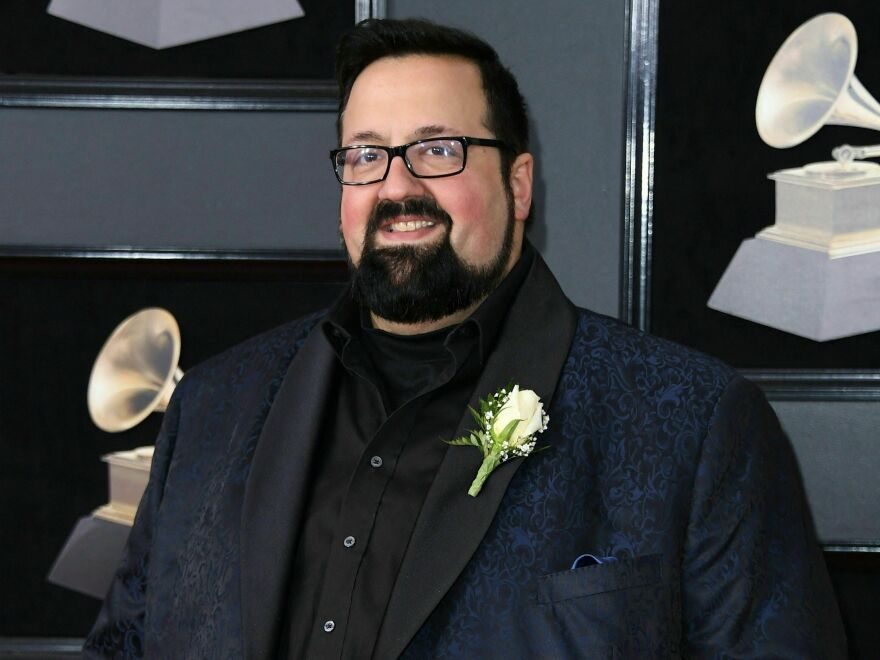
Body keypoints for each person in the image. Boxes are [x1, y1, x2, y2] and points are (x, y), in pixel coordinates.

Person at [83, 18, 846, 659]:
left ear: (519, 185)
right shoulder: (214, 408)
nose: (397, 186)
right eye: (366, 155)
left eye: (439, 149)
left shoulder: (692, 422)